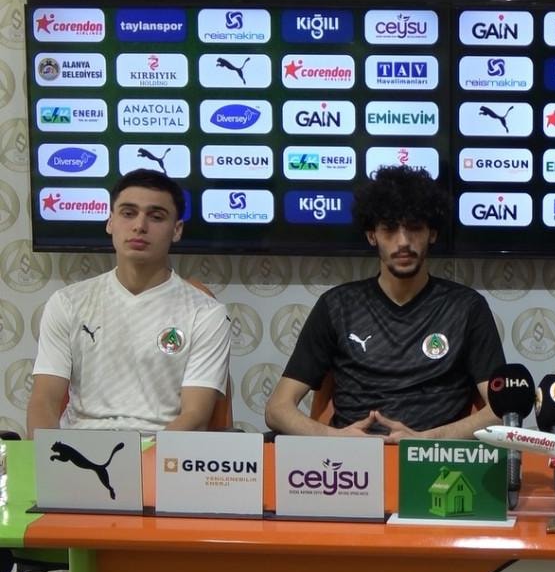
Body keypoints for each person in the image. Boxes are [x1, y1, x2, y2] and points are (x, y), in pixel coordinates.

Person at [265, 165, 504, 441]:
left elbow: (501, 411)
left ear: (432, 233)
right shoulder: (337, 306)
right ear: (372, 235)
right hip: (351, 461)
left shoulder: (467, 308)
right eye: (389, 229)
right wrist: (334, 437)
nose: (403, 242)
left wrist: (427, 439)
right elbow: (277, 409)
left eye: (415, 228)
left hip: (433, 457)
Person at [27, 169, 231, 435]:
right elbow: (44, 401)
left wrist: (141, 457)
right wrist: (46, 454)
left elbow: (195, 416)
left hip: (161, 449)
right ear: (110, 222)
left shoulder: (205, 313)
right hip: (79, 448)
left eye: (156, 217)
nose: (139, 226)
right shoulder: (67, 303)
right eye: (128, 213)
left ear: (176, 230)